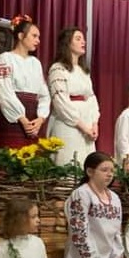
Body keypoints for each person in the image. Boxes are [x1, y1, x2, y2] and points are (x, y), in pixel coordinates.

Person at [47, 27, 100, 166]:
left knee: (85, 165)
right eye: (78, 39)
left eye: (83, 39)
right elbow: (61, 102)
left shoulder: (84, 71)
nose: (83, 42)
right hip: (68, 125)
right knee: (68, 163)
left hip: (87, 124)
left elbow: (91, 98)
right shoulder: (58, 68)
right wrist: (83, 127)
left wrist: (94, 124)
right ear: (67, 43)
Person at [0, 14, 50, 148]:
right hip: (14, 118)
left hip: (34, 117)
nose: (38, 40)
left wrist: (41, 118)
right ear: (20, 36)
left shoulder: (35, 62)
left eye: (39, 37)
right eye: (34, 36)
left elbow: (44, 94)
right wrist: (22, 118)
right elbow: (4, 91)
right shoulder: (6, 58)